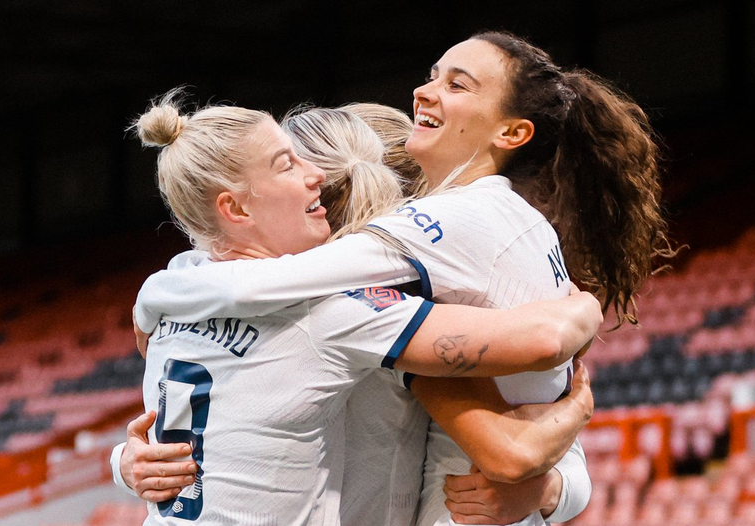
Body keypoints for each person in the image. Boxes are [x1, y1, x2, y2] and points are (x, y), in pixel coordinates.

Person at [128, 31, 674, 525]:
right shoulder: (350, 296)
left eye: (457, 84)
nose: (308, 177)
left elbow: (520, 449)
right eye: (287, 165)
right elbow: (523, 441)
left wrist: (157, 297)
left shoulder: (361, 283)